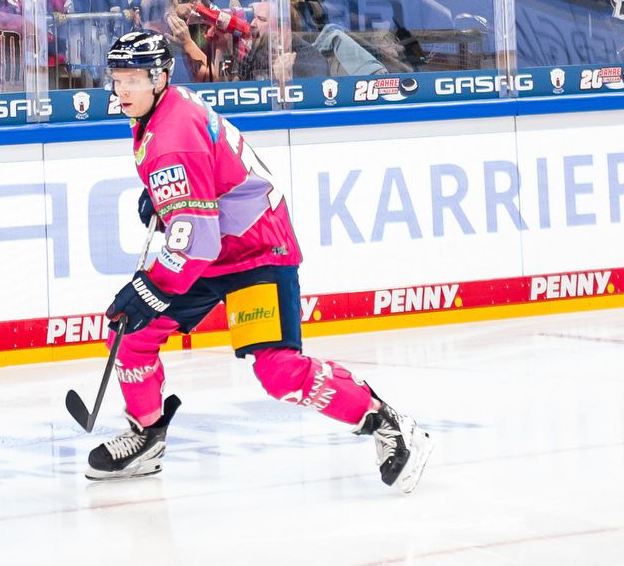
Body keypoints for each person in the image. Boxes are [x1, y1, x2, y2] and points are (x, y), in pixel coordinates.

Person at [85, 27, 422, 490]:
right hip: (214, 247)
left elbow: (194, 240)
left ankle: (386, 422)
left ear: (160, 77)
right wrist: (166, 197)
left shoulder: (171, 136)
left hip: (255, 251)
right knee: (133, 335)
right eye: (117, 78)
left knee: (278, 371)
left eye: (133, 79)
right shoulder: (163, 108)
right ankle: (147, 436)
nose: (122, 90)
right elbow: (207, 174)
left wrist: (151, 285)